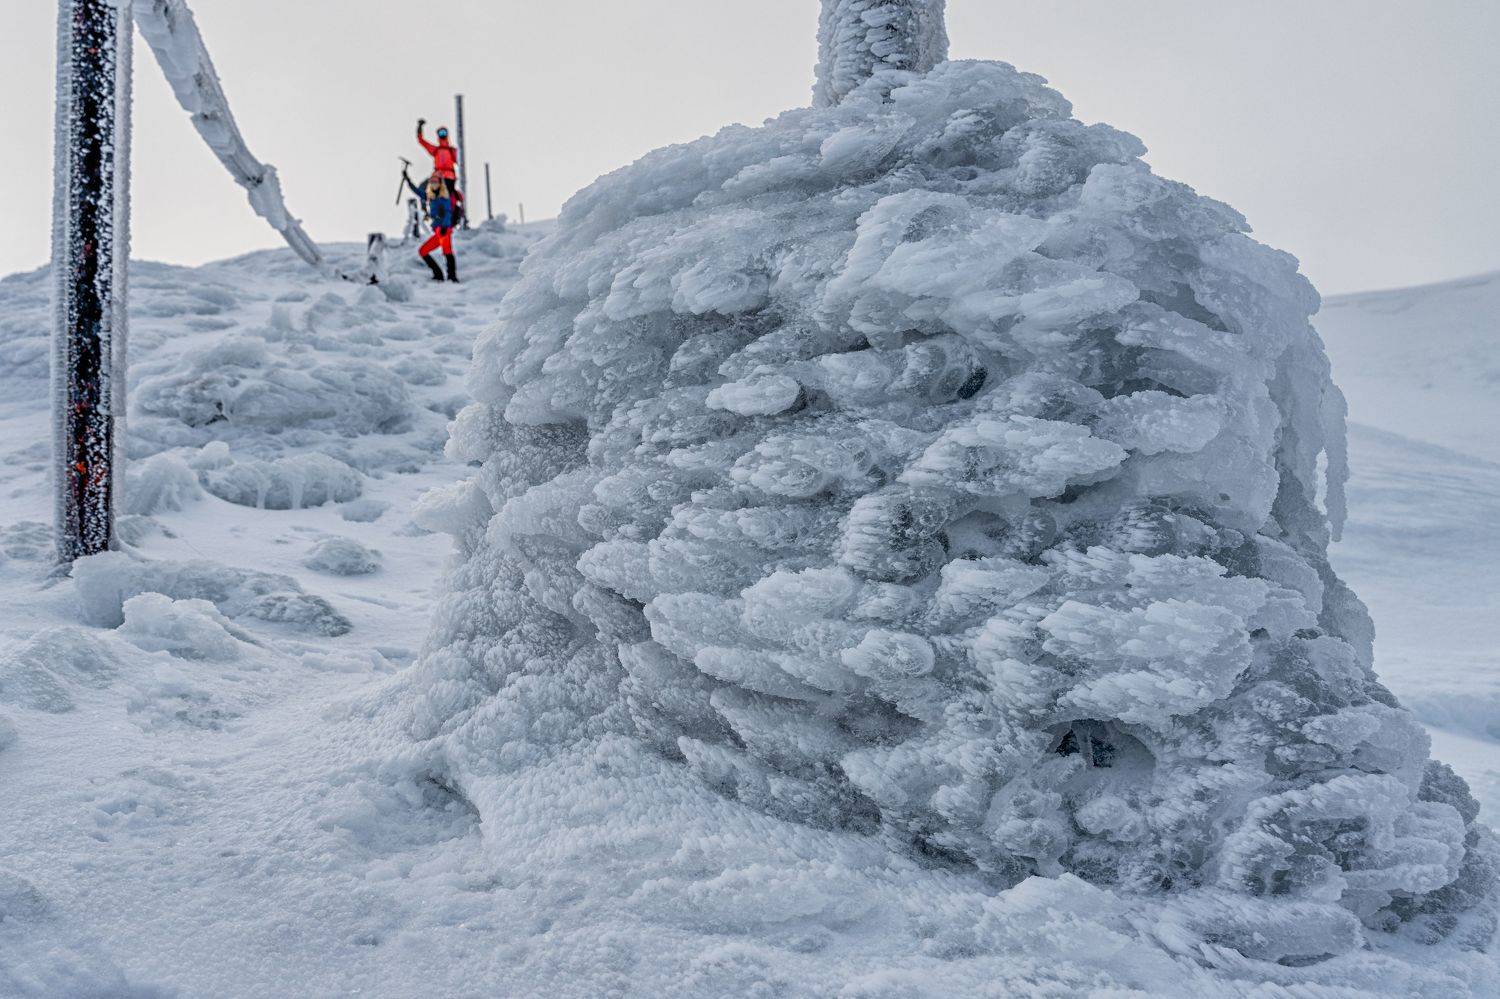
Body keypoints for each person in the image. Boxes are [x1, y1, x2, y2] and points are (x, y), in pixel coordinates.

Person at [418, 175, 460, 283]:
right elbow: (418, 192)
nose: (433, 184)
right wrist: (407, 180)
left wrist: (445, 227)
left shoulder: (444, 197)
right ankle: (438, 274)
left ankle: (452, 277)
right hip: (438, 232)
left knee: (447, 251)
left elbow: (447, 213)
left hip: (444, 230)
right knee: (423, 251)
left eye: (435, 182)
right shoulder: (430, 196)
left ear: (440, 184)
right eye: (431, 182)